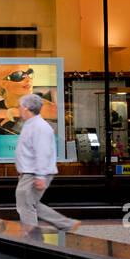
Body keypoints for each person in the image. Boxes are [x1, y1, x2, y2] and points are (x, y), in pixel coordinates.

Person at [14, 92, 80, 237]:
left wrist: (40, 176)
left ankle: (32, 238)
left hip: (33, 173)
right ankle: (67, 224)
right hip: (31, 172)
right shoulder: (31, 125)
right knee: (32, 203)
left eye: (19, 106)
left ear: (26, 107)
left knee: (25, 204)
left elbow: (43, 153)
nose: (18, 109)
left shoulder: (39, 127)